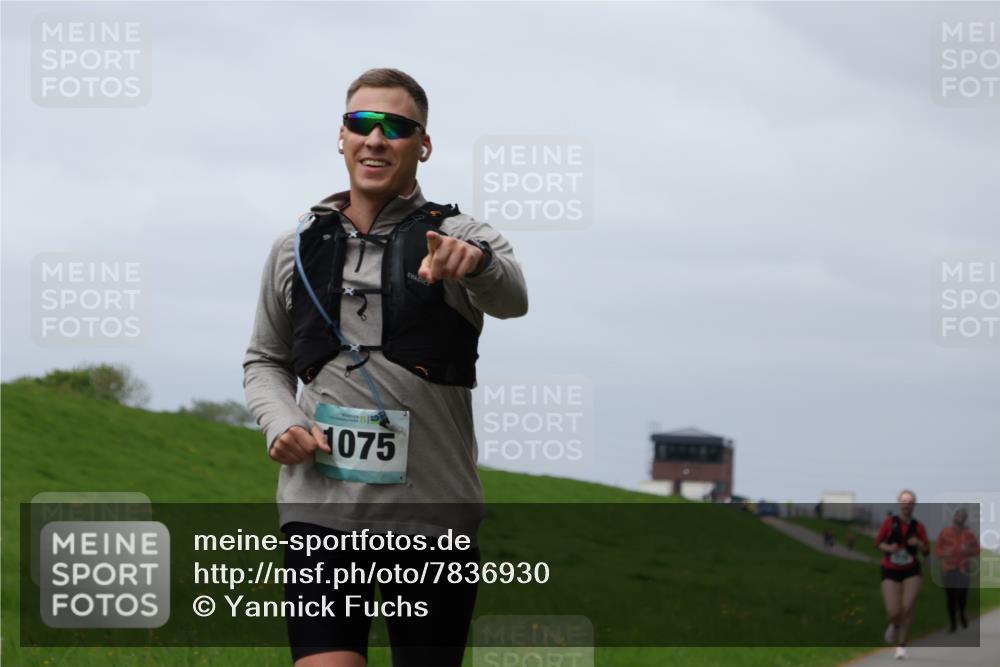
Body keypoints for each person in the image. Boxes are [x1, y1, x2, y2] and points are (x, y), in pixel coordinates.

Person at [243, 68, 528, 667]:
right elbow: (265, 360)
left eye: (395, 127)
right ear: (342, 138)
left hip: (432, 520)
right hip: (319, 515)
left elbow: (512, 298)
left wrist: (472, 265)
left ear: (422, 145)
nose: (375, 138)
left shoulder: (458, 236)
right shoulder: (293, 246)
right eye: (361, 123)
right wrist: (280, 420)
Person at [876, 489, 930, 660]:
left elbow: (927, 550)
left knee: (907, 607)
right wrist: (888, 548)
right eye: (904, 501)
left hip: (911, 570)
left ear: (914, 505)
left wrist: (919, 543)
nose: (906, 504)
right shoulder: (889, 523)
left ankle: (901, 647)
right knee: (893, 610)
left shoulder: (918, 526)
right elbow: (878, 543)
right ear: (899, 503)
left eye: (910, 501)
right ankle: (894, 624)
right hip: (890, 569)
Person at [935, 507, 980, 632]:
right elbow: (938, 550)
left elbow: (977, 550)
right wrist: (945, 552)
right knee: (950, 598)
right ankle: (953, 622)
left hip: (964, 570)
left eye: (963, 516)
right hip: (948, 569)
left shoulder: (969, 534)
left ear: (965, 519)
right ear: (954, 517)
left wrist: (969, 550)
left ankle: (961, 613)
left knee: (962, 596)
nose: (961, 518)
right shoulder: (945, 532)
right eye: (959, 515)